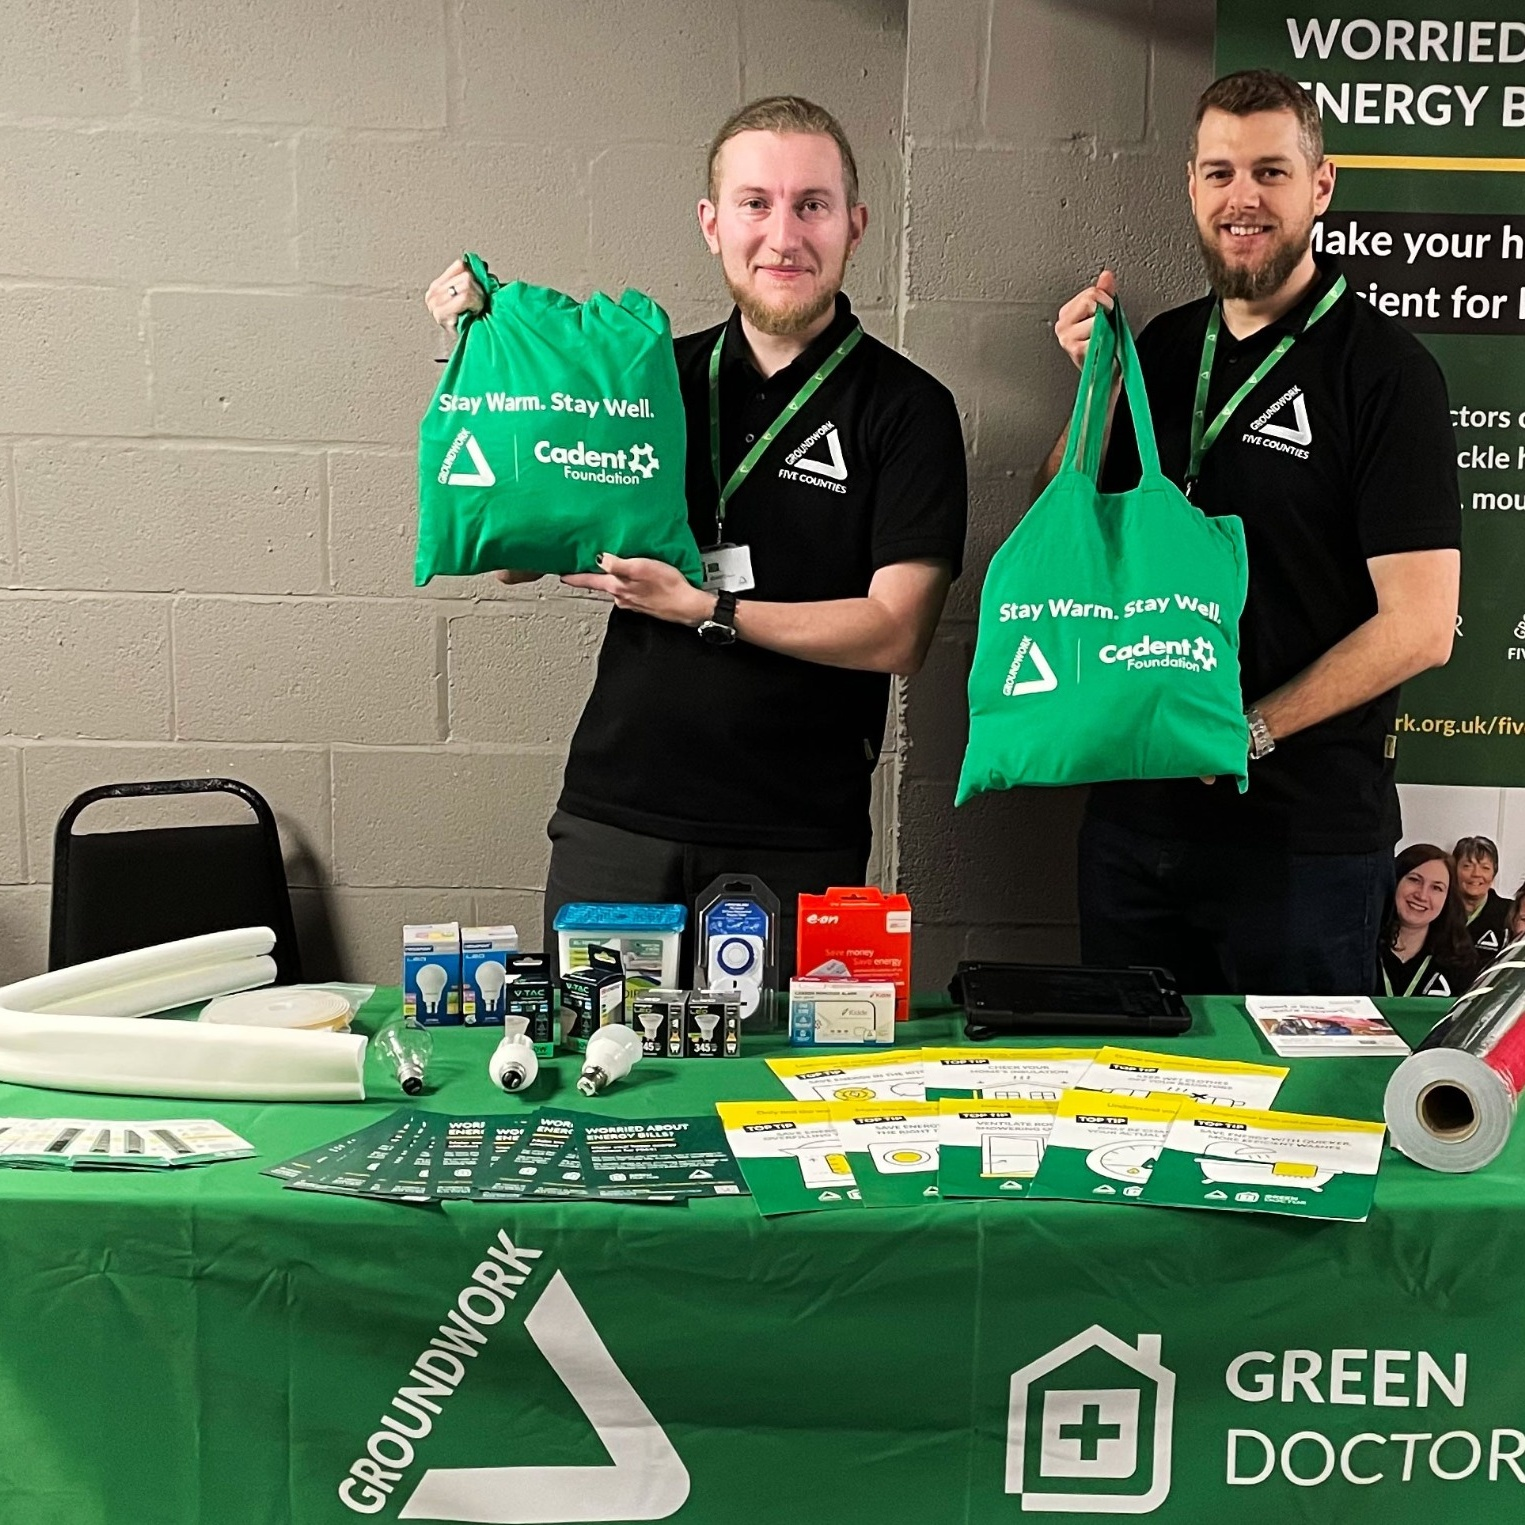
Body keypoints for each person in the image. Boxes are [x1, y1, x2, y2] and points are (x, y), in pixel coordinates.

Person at [424, 97, 967, 967]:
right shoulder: (652, 378)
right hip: (617, 819)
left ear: (854, 227)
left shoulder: (908, 410)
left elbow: (897, 632)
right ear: (712, 225)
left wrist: (703, 608)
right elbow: (517, 558)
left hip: (797, 840)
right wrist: (485, 353)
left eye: (811, 205)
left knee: (776, 1095)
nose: (782, 235)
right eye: (755, 203)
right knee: (598, 1079)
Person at [1042, 69, 1461, 996]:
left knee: (1298, 1127)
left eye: (1270, 172)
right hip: (1133, 828)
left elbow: (1421, 627)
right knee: (1127, 1113)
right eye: (1221, 173)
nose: (1243, 199)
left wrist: (1249, 731)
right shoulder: (1156, 350)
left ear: (1319, 186)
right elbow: (1068, 546)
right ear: (1190, 185)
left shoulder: (1385, 372)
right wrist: (1093, 394)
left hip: (1301, 845)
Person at [1377, 844, 1480, 998]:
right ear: (1395, 880)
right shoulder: (1359, 950)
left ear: (1447, 899)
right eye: (1414, 880)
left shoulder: (1460, 959)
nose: (1422, 895)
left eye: (1436, 888)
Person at [1452, 834, 1511, 958]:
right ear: (1454, 869)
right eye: (1467, 866)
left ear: (1493, 874)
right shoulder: (1438, 909)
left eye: (1485, 868)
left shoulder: (1509, 912)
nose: (1476, 874)